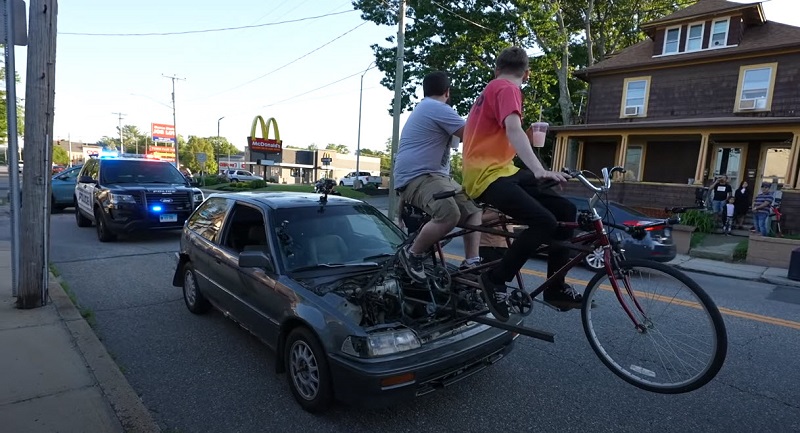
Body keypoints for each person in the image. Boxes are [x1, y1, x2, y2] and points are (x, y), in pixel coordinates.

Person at [462, 46, 578, 322]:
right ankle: (495, 279)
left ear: (497, 67)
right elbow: (513, 130)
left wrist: (544, 171)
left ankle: (555, 286)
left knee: (567, 212)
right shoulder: (506, 88)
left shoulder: (492, 89)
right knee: (545, 222)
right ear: (526, 74)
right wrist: (539, 170)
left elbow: (508, 133)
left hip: (502, 170)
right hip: (487, 176)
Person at [394, 71, 483, 283]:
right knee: (449, 213)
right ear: (447, 92)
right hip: (418, 176)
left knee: (473, 210)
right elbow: (473, 135)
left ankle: (471, 261)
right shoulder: (435, 108)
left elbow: (459, 140)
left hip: (436, 176)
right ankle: (412, 255)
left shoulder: (428, 109)